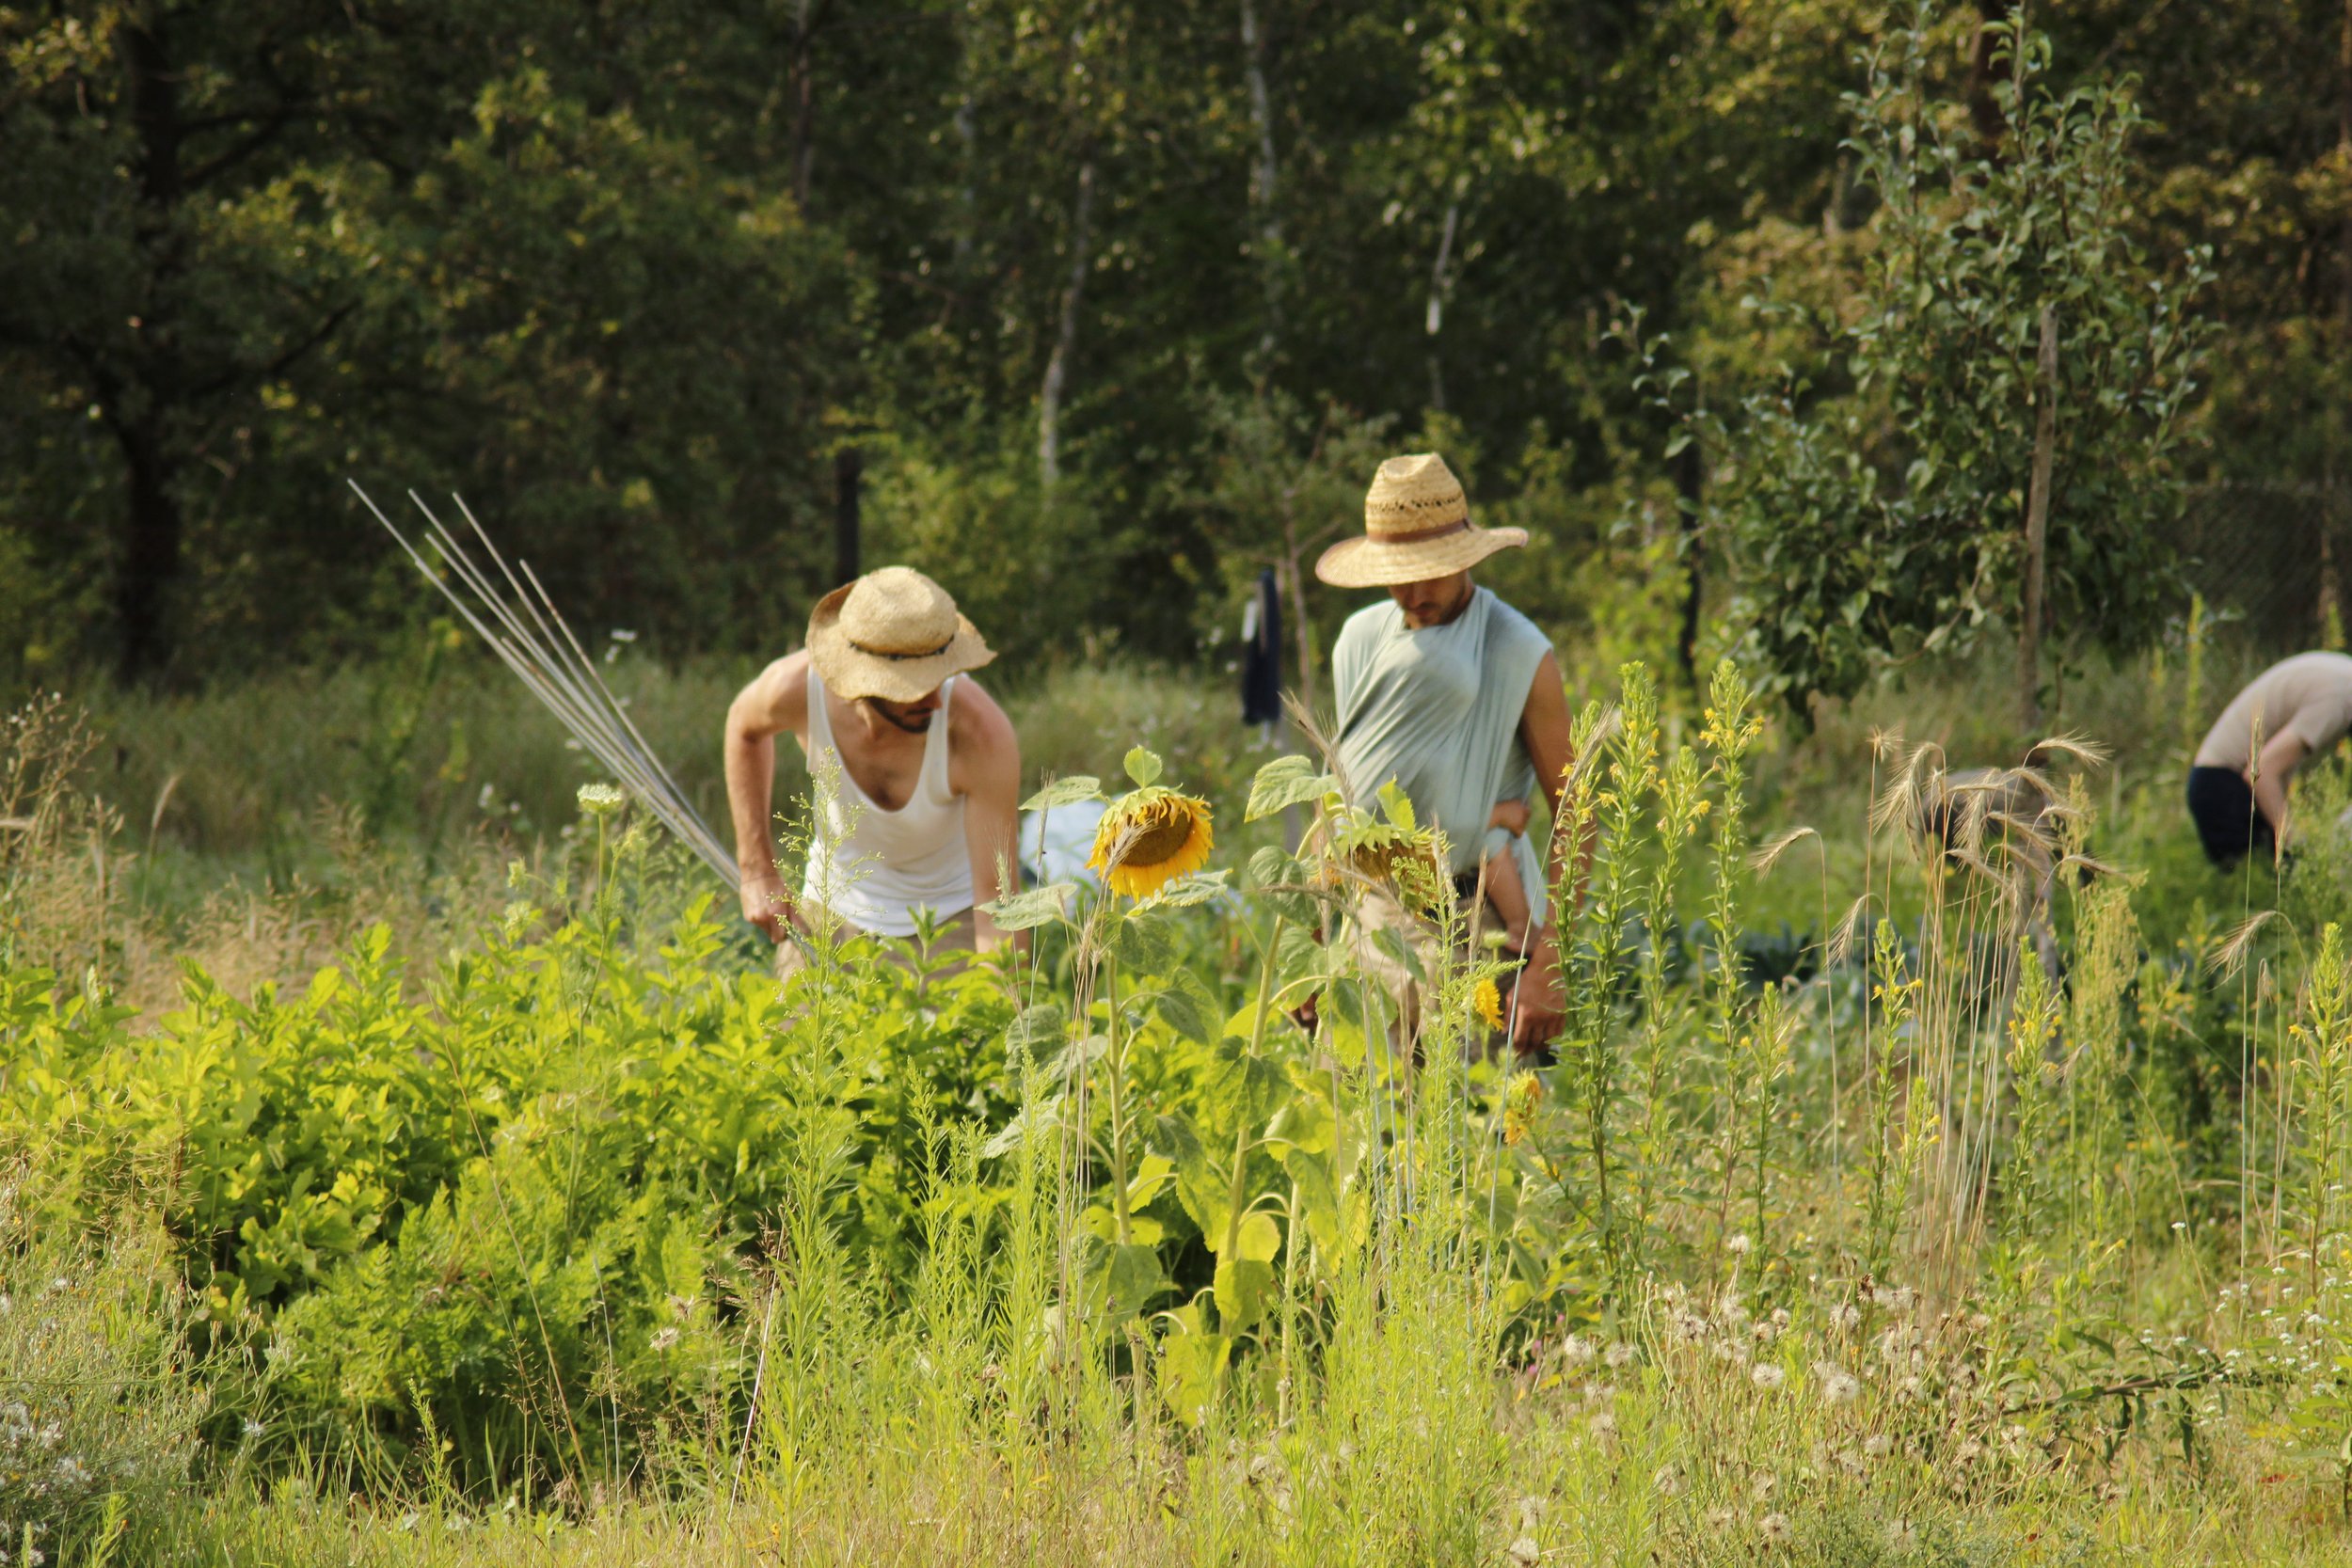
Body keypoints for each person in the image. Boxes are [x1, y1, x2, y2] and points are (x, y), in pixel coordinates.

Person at [1317, 451, 1576, 1058]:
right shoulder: (1360, 640)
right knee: (1360, 1136)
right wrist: (1318, 938)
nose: (1410, 591)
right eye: (1395, 573)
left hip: (1472, 925)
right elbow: (1339, 795)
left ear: (1464, 558)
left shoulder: (1515, 649)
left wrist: (1549, 964)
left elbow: (1577, 810)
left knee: (1465, 1133)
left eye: (1427, 572)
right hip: (1368, 920)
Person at [723, 566, 1025, 972]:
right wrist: (756, 871)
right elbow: (743, 724)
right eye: (914, 687)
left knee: (961, 1032)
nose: (935, 701)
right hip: (831, 905)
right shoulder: (797, 689)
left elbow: (998, 901)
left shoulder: (979, 734)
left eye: (939, 676)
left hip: (948, 919)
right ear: (862, 678)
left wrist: (1001, 1010)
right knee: (792, 1036)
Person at [2188, 650, 2352, 865]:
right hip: (2223, 787)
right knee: (2270, 884)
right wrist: (2295, 844)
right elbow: (2261, 772)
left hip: (2223, 781)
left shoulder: (2344, 677)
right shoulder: (2337, 701)